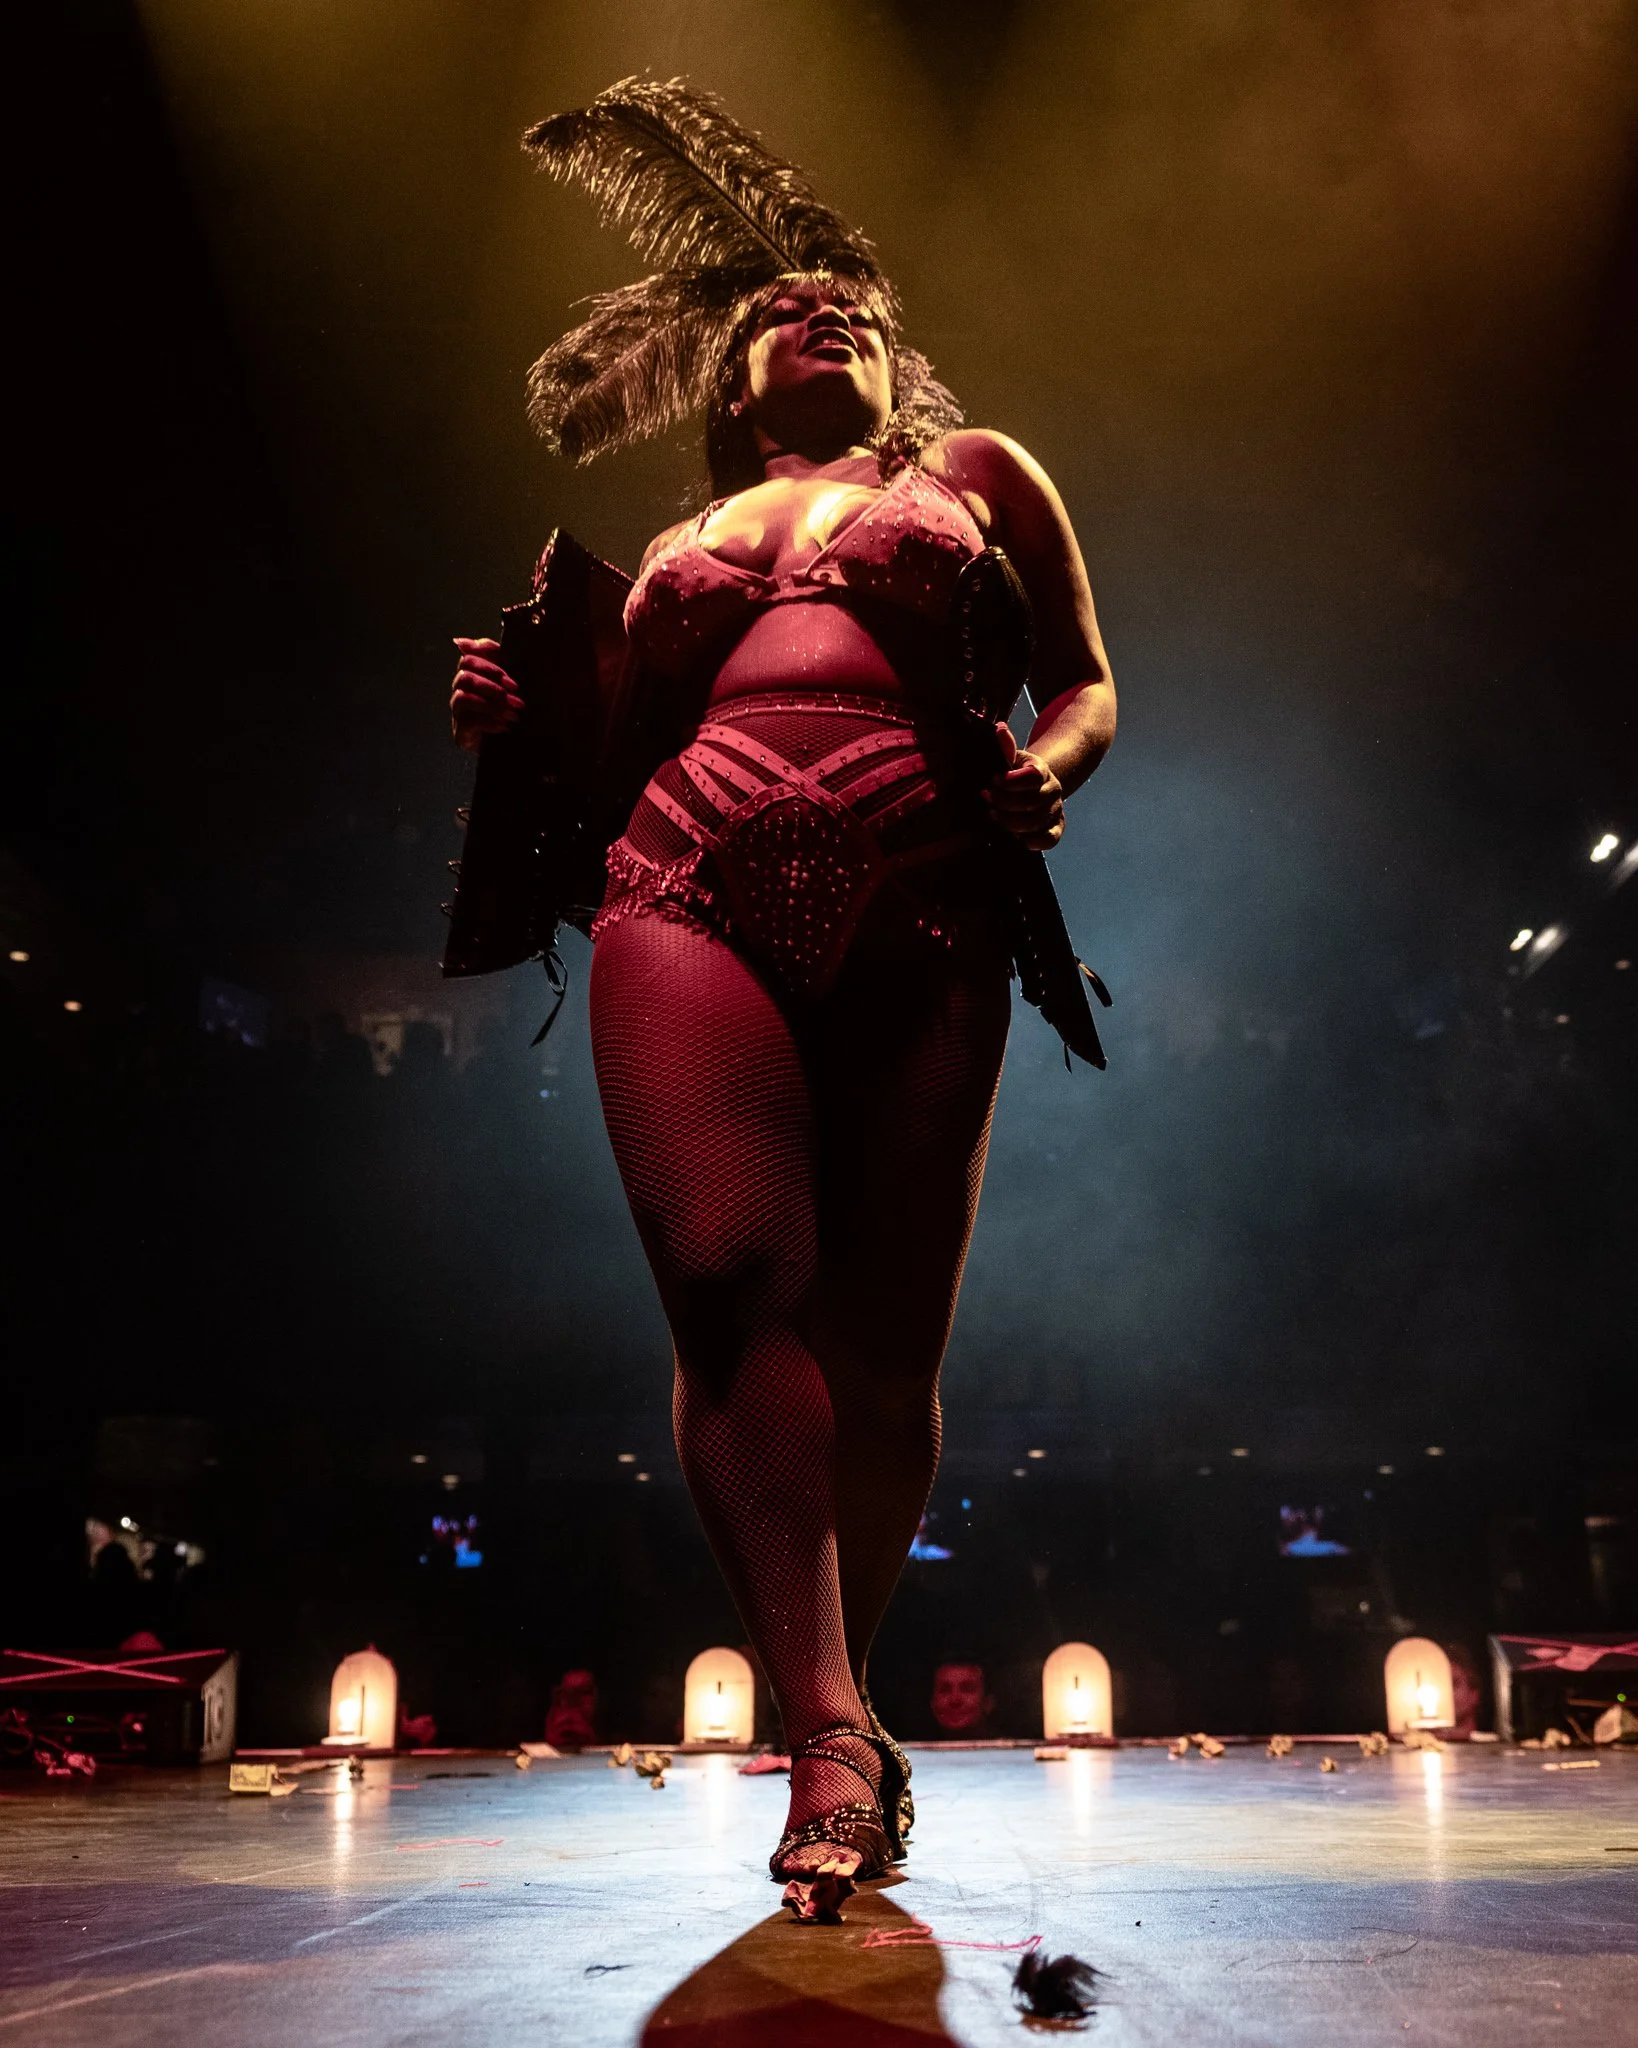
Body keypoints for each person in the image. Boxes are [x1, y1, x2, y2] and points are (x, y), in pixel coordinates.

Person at [450, 80, 1115, 1919]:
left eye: (850, 311)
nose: (818, 313)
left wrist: (1051, 765)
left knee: (885, 1347)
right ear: (732, 386)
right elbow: (599, 764)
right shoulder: (681, 545)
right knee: (734, 1274)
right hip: (682, 886)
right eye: (779, 310)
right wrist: (513, 725)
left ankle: (844, 1693)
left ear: (895, 373)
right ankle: (824, 1727)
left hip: (926, 894)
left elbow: (1083, 683)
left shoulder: (975, 480)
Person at [930, 1661, 997, 1738]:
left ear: (988, 1703)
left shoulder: (1006, 1744)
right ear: (932, 1703)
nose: (954, 1700)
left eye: (967, 1689)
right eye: (945, 1690)